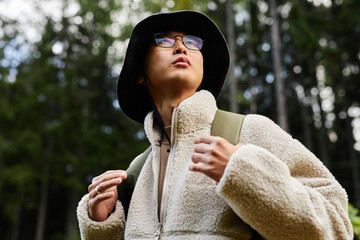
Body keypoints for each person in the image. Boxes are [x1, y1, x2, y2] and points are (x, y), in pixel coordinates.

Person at [77, 10, 353, 240]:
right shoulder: (136, 174)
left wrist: (246, 174)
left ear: (203, 68)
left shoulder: (250, 132)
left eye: (192, 42)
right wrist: (102, 225)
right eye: (164, 40)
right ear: (139, 73)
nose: (181, 46)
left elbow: (338, 226)